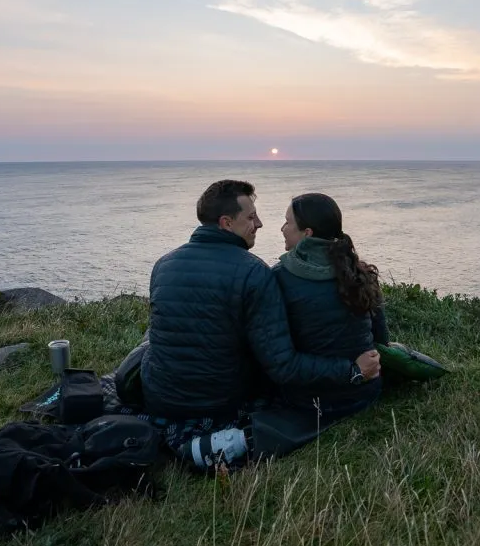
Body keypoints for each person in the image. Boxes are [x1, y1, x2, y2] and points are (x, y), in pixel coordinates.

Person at [139, 180, 380, 469]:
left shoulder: (163, 264)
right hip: (221, 400)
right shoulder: (255, 272)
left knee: (151, 339)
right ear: (227, 223)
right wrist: (354, 369)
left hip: (158, 394)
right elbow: (283, 364)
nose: (262, 224)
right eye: (251, 217)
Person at [271, 192, 388, 431]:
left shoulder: (279, 278)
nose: (282, 228)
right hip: (364, 394)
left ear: (307, 234)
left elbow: (278, 359)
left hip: (308, 402)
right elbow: (382, 340)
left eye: (288, 222)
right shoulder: (360, 272)